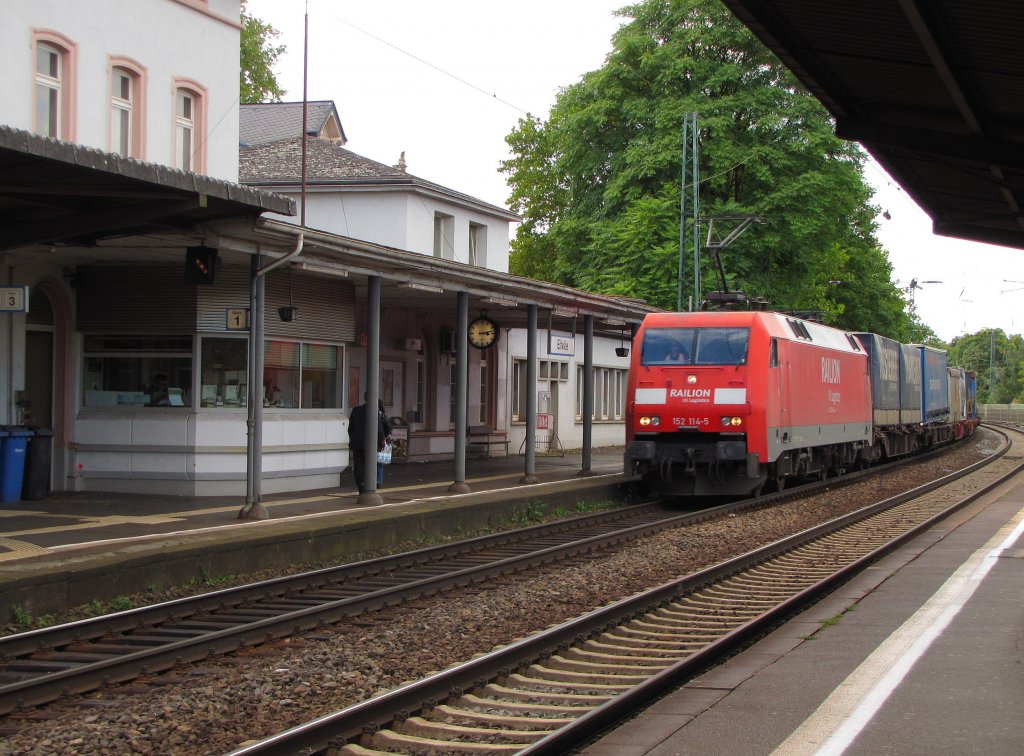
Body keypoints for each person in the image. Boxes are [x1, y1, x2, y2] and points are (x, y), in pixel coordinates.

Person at [347, 393, 387, 494]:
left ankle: (361, 483)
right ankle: (371, 484)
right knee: (371, 464)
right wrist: (382, 441)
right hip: (371, 444)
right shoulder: (375, 411)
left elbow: (350, 428)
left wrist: (353, 439)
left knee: (358, 465)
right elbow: (379, 429)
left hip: (357, 443)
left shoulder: (355, 410)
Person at [376, 399, 393, 488]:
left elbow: (388, 428)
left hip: (379, 442)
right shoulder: (383, 416)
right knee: (379, 463)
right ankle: (379, 481)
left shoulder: (380, 416)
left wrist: (384, 437)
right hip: (381, 442)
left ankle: (378, 481)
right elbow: (389, 429)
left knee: (377, 463)